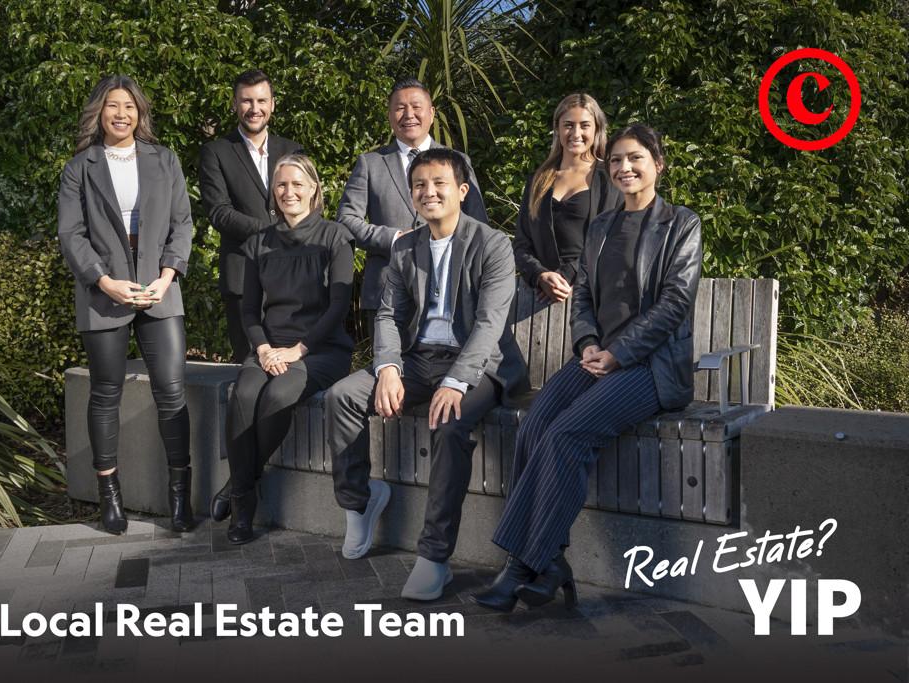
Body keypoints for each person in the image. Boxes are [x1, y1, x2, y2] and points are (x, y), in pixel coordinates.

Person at [472, 124, 702, 612]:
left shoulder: (681, 224)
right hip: (599, 357)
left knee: (566, 435)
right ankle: (549, 560)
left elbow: (675, 302)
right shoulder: (602, 226)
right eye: (616, 159)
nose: (624, 167)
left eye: (635, 158)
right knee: (535, 424)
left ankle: (523, 566)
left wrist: (620, 353)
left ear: (658, 165)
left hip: (651, 367)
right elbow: (583, 299)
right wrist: (589, 343)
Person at [326, 148, 527, 601]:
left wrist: (456, 381)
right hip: (418, 360)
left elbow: (489, 324)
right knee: (342, 396)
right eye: (419, 185)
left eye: (439, 183)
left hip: (478, 365)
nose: (428, 192)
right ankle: (358, 503)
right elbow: (388, 315)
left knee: (449, 422)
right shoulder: (405, 246)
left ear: (462, 190)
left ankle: (435, 556)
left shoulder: (492, 244)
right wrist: (388, 368)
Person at [57, 75, 195, 534]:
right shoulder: (79, 167)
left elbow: (182, 223)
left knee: (172, 392)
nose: (122, 114)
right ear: (100, 112)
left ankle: (180, 498)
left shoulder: (165, 159)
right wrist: (104, 281)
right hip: (104, 293)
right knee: (105, 394)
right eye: (113, 106)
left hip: (159, 290)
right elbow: (71, 233)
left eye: (130, 106)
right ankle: (110, 498)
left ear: (140, 113)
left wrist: (167, 277)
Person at [209, 154, 354, 545]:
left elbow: (339, 306)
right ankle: (243, 496)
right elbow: (248, 311)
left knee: (277, 395)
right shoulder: (259, 243)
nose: (289, 192)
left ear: (313, 189)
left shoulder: (335, 237)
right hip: (269, 347)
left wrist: (298, 351)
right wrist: (262, 348)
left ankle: (239, 490)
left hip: (321, 349)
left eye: (297, 184)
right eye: (281, 185)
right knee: (243, 394)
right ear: (273, 192)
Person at [336, 78, 488, 340]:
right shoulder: (371, 163)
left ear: (431, 113)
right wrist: (394, 238)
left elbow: (478, 224)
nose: (409, 115)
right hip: (388, 294)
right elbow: (346, 220)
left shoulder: (457, 161)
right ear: (389, 115)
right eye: (399, 108)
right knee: (388, 364)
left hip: (451, 292)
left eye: (416, 107)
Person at [198, 69, 303, 362]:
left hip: (294, 277)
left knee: (292, 369)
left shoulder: (292, 150)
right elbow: (219, 212)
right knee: (251, 367)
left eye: (261, 101)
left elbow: (310, 203)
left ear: (272, 104)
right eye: (246, 101)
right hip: (243, 277)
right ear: (234, 104)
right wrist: (273, 232)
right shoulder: (216, 152)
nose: (254, 109)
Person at [513, 93, 621, 303]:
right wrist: (540, 275)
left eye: (585, 125)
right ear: (557, 129)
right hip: (540, 301)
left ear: (597, 129)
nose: (576, 133)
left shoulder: (610, 178)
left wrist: (567, 274)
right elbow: (521, 244)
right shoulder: (538, 180)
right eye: (568, 125)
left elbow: (613, 240)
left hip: (594, 297)